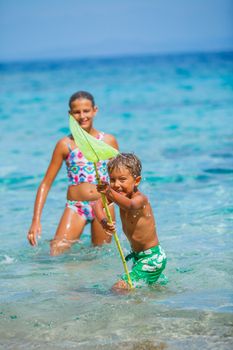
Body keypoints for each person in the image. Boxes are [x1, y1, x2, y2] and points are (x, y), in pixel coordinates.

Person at [27, 91, 119, 255]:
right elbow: (46, 183)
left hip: (104, 204)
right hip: (76, 206)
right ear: (70, 114)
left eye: (86, 111)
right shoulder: (65, 144)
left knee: (100, 255)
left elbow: (119, 179)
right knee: (56, 251)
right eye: (77, 112)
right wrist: (36, 221)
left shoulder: (108, 141)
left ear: (95, 111)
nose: (82, 116)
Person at [93, 153, 167, 290]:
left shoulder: (140, 199)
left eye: (122, 179)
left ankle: (122, 311)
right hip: (139, 257)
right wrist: (103, 222)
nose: (116, 185)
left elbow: (130, 205)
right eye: (112, 180)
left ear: (136, 181)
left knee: (119, 288)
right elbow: (96, 205)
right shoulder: (117, 195)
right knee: (144, 289)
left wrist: (109, 191)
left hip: (152, 258)